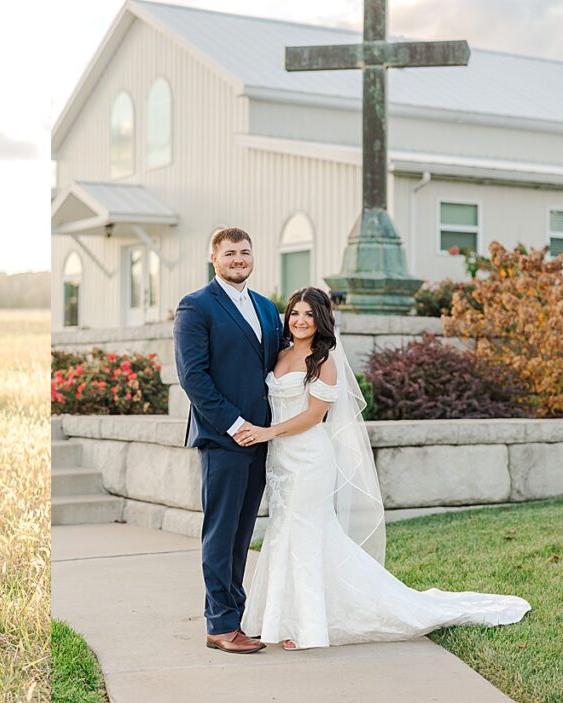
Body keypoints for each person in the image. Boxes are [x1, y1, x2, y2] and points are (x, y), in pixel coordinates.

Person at [238, 286, 530, 649]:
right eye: (295, 313)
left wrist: (267, 432)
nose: (300, 320)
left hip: (309, 459)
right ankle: (277, 618)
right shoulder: (280, 354)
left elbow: (314, 416)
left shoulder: (323, 360)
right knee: (283, 532)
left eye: (309, 315)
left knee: (306, 535)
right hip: (280, 462)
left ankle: (307, 626)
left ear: (321, 320)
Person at [174, 227, 283, 654]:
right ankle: (219, 626)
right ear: (214, 258)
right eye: (230, 253)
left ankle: (235, 617)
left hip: (263, 438)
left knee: (242, 535)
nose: (239, 259)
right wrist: (234, 424)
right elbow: (193, 376)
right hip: (224, 439)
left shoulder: (266, 307)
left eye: (245, 252)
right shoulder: (196, 306)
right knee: (220, 534)